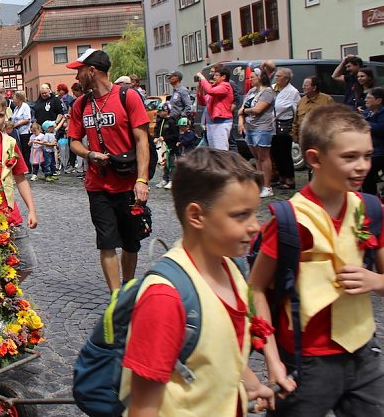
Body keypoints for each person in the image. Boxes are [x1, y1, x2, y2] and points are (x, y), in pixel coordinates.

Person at [249, 103, 384, 416]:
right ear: (315, 159)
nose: (363, 166)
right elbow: (255, 289)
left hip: (363, 354)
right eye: (349, 157)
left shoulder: (370, 208)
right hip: (306, 361)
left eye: (367, 155)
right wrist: (273, 361)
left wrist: (376, 280)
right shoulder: (289, 220)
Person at [122, 148, 274, 415]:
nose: (255, 226)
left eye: (255, 213)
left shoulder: (230, 270)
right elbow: (143, 407)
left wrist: (249, 383)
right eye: (241, 215)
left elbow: (222, 349)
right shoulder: (165, 297)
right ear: (196, 216)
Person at [66, 48, 151, 291]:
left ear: (92, 71)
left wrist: (142, 180)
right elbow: (73, 141)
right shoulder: (81, 105)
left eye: (79, 71)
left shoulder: (128, 97)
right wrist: (89, 154)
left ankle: (128, 286)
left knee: (130, 242)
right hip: (98, 185)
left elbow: (142, 141)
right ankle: (116, 298)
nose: (76, 77)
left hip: (128, 183)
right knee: (106, 241)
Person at [0, 92, 38, 330]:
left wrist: (31, 209)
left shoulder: (11, 143)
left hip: (11, 214)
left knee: (26, 263)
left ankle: (2, 294)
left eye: (0, 115)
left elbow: (20, 177)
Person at [238, 68, 277, 198]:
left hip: (262, 127)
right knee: (257, 157)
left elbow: (258, 109)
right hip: (250, 127)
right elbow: (243, 107)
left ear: (261, 78)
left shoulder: (268, 92)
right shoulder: (251, 91)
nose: (250, 79)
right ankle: (259, 184)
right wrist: (241, 120)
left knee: (264, 157)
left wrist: (244, 111)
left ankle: (267, 186)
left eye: (253, 77)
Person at [272, 67, 301, 190]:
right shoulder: (274, 88)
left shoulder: (293, 92)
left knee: (285, 153)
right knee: (276, 153)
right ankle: (281, 177)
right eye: (276, 75)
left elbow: (296, 110)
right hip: (272, 125)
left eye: (279, 76)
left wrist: (295, 128)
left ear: (287, 78)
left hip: (285, 125)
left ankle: (290, 179)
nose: (276, 78)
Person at [195, 65, 234, 151]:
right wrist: (200, 90)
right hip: (211, 123)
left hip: (221, 123)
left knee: (221, 151)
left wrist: (202, 78)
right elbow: (203, 102)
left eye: (216, 75)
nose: (214, 77)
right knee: (213, 151)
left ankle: (223, 164)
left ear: (223, 77)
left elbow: (210, 91)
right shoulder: (215, 88)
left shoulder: (225, 86)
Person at [292, 76, 334, 146]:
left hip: (320, 140)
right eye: (303, 85)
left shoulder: (327, 100)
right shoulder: (301, 101)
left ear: (314, 88)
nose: (303, 87)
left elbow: (333, 120)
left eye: (306, 85)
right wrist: (295, 137)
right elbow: (296, 122)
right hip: (303, 140)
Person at [362, 87, 384, 196]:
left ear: (378, 101)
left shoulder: (382, 113)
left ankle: (370, 197)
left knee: (366, 168)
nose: (366, 100)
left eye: (369, 98)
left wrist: (364, 123)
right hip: (367, 149)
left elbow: (380, 128)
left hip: (380, 151)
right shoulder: (367, 113)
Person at [153, 103, 179, 189]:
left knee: (171, 163)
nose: (159, 113)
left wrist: (164, 138)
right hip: (162, 147)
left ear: (166, 111)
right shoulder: (160, 121)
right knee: (162, 163)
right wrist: (156, 137)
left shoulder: (172, 121)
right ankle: (165, 179)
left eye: (161, 111)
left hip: (170, 146)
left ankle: (172, 180)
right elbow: (156, 130)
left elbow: (175, 135)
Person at [10, 91, 32, 159]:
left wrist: (17, 124)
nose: (13, 100)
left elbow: (27, 119)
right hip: (17, 132)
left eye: (14, 98)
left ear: (18, 99)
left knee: (26, 151)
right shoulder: (16, 108)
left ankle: (28, 167)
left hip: (24, 132)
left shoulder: (25, 106)